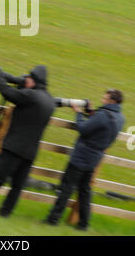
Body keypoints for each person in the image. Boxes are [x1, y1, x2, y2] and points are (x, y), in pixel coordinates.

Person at [0, 65, 55, 217]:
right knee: (17, 186)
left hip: (13, 147)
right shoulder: (50, 101)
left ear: (33, 79)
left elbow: (7, 92)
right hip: (31, 151)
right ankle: (5, 213)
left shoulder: (30, 96)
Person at [45, 88, 125, 230]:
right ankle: (83, 224)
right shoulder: (119, 117)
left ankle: (53, 219)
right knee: (85, 191)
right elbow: (99, 126)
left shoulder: (103, 115)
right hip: (94, 159)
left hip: (81, 157)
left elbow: (83, 128)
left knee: (66, 188)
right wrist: (91, 113)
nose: (103, 100)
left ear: (112, 101)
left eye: (105, 98)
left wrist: (79, 114)